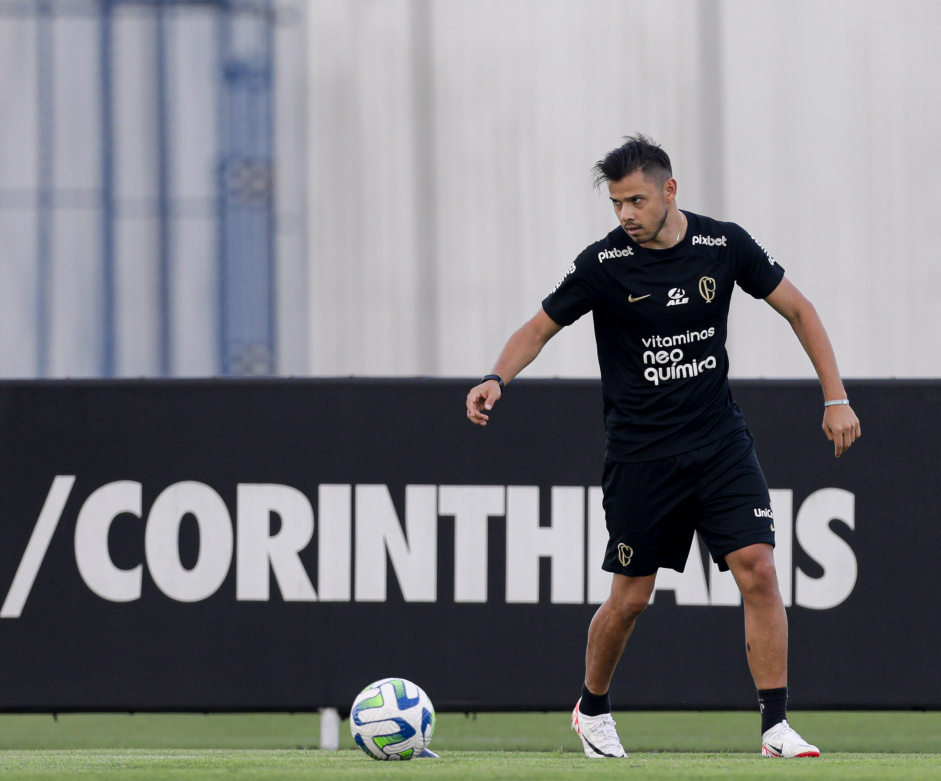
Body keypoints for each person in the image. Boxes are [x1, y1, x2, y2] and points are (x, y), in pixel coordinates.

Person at [465, 134, 860, 759]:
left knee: (757, 567)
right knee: (631, 598)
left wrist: (835, 397)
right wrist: (495, 377)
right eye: (617, 204)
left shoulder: (724, 244)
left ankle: (775, 726)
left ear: (669, 191)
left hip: (720, 443)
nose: (625, 214)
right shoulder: (603, 264)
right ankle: (591, 708)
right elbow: (539, 326)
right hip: (642, 456)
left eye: (636, 200)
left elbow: (800, 310)